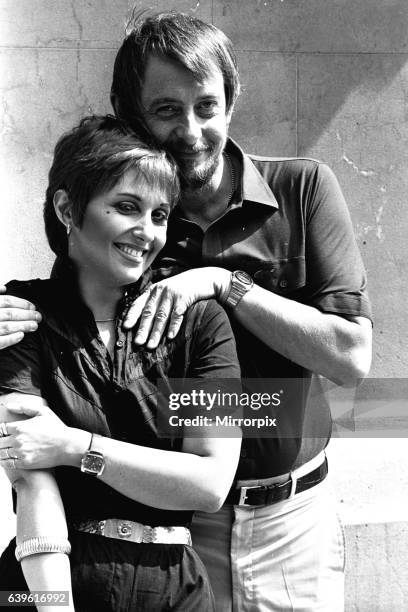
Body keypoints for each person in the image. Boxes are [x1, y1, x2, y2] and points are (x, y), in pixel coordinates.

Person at [0, 11, 372, 612]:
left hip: (290, 517)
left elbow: (351, 358)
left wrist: (226, 285)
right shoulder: (129, 237)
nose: (193, 130)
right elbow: (63, 342)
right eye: (167, 110)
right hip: (175, 533)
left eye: (207, 105)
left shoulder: (303, 189)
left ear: (232, 102)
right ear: (131, 113)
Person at [0, 114, 242, 612]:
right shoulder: (21, 315)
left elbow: (210, 482)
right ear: (68, 208)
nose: (147, 232)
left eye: (160, 215)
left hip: (177, 586)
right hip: (43, 584)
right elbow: (30, 474)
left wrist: (77, 447)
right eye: (126, 207)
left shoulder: (202, 322)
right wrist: (52, 605)